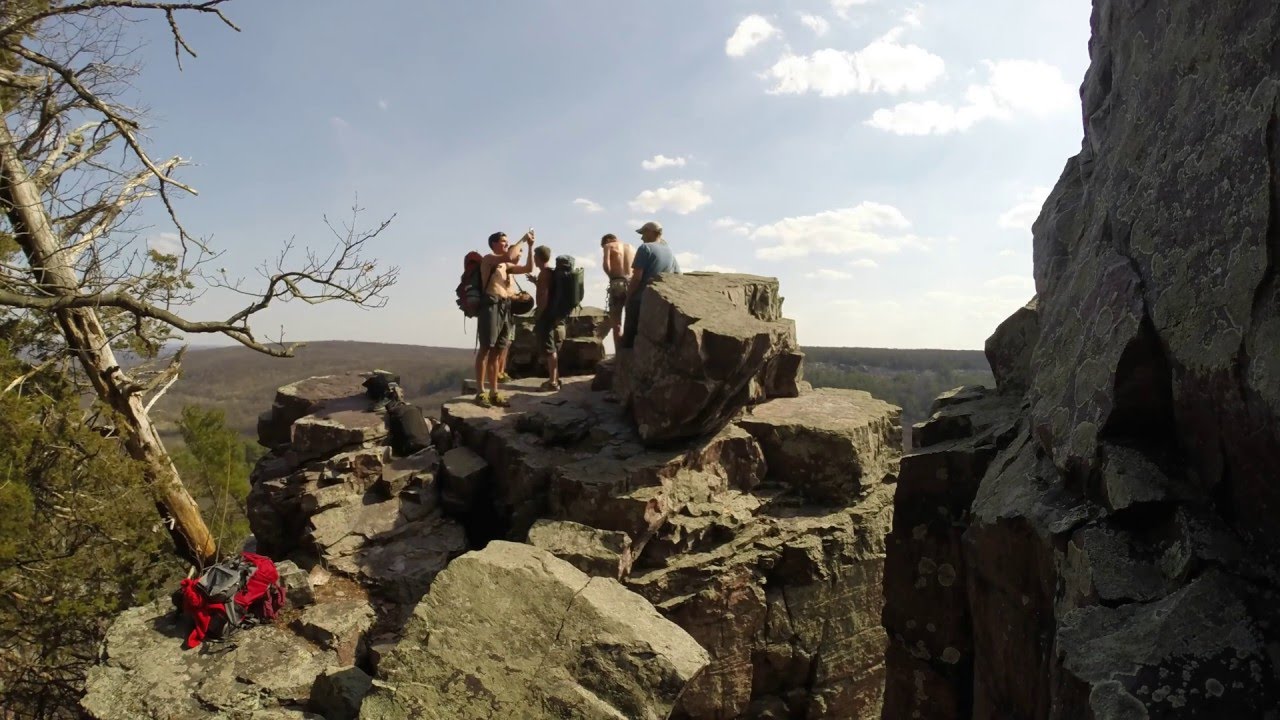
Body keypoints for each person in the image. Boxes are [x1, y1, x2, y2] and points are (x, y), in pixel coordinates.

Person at [474, 230, 534, 407]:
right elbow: (510, 255)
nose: (506, 244)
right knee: (485, 349)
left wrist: (530, 247)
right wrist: (523, 239)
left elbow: (529, 268)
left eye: (507, 242)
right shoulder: (489, 259)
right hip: (491, 305)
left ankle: (494, 391)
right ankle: (480, 392)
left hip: (506, 307)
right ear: (493, 244)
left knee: (497, 352)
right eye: (503, 241)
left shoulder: (505, 266)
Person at [620, 221, 680, 349]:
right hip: (659, 302)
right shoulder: (670, 251)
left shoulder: (645, 248)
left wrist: (628, 297)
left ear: (650, 232)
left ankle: (625, 363)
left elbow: (637, 278)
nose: (642, 237)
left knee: (630, 338)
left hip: (640, 300)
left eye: (643, 233)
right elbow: (677, 276)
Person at [532, 245, 565, 391]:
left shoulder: (544, 274)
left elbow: (544, 296)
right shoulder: (549, 273)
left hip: (546, 315)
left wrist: (540, 313)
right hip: (553, 314)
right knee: (551, 347)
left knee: (549, 348)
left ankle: (552, 382)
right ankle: (554, 379)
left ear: (537, 258)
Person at [598, 233, 635, 346]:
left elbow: (606, 265)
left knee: (616, 322)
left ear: (607, 240)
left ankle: (618, 355)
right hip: (632, 283)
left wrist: (611, 277)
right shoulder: (631, 247)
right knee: (631, 320)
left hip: (617, 283)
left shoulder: (608, 246)